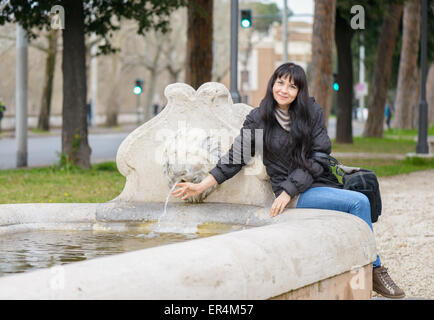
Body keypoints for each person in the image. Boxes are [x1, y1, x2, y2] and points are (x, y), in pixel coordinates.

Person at [172, 63, 405, 299]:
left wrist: (290, 189)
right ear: (272, 83)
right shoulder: (258, 118)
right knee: (359, 203)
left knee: (361, 198)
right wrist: (201, 185)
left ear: (300, 90)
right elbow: (235, 159)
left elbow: (319, 156)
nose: (284, 90)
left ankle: (368, 267)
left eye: (292, 86)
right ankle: (376, 269)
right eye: (280, 82)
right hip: (292, 194)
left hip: (316, 182)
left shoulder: (312, 112)